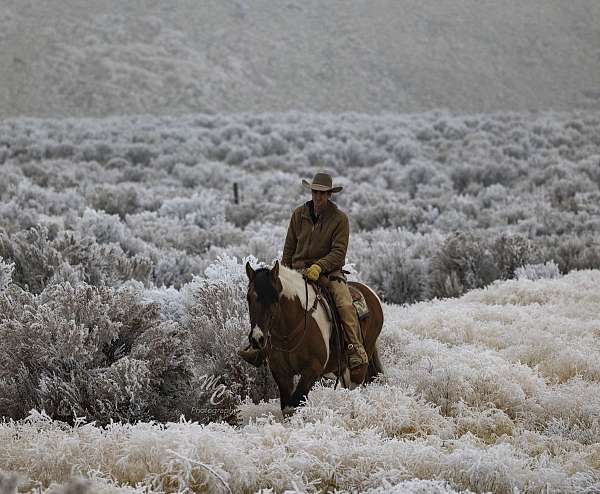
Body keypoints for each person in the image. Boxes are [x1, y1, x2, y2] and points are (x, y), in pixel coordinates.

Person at [239, 172, 368, 380]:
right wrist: (284, 272)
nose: (318, 197)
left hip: (328, 273)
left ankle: (355, 349)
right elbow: (289, 248)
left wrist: (319, 266)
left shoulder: (340, 219)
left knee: (344, 303)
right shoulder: (299, 215)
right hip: (297, 272)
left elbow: (338, 253)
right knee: (270, 300)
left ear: (329, 195)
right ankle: (261, 348)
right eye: (315, 192)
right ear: (311, 192)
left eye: (323, 194)